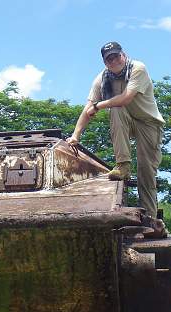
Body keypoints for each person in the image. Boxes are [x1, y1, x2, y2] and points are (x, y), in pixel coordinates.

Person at [67, 41, 164, 220]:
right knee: (116, 109)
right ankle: (123, 165)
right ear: (105, 62)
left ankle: (150, 219)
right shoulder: (102, 79)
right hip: (126, 119)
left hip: (149, 123)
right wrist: (75, 135)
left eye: (116, 56)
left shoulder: (138, 68)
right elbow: (88, 108)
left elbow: (126, 98)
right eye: (109, 59)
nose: (113, 61)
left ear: (123, 54)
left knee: (146, 173)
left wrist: (99, 105)